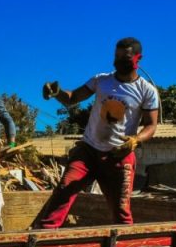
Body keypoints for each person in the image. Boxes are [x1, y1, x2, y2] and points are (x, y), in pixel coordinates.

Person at [35, 37, 158, 228]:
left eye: (124, 57)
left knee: (121, 211)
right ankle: (42, 238)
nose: (118, 61)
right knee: (64, 190)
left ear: (137, 58)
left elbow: (151, 125)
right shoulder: (101, 80)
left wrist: (135, 140)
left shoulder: (147, 91)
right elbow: (73, 98)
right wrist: (57, 92)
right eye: (116, 57)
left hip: (119, 155)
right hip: (89, 150)